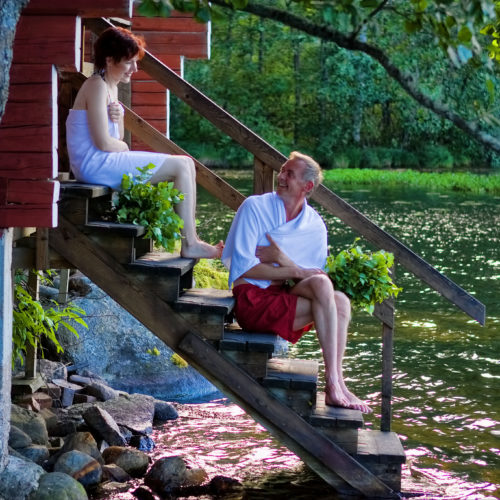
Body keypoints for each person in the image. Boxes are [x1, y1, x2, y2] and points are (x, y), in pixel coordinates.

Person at [222, 152, 371, 413]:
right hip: (252, 299)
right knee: (323, 287)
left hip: (285, 293)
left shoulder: (314, 225)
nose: (280, 177)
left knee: (341, 300)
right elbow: (245, 270)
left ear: (308, 186)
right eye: (282, 170)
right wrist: (296, 271)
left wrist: (283, 261)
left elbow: (313, 275)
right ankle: (334, 385)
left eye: (289, 174)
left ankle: (338, 382)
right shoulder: (255, 208)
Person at [66, 26, 223, 259]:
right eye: (129, 62)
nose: (135, 68)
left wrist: (118, 120)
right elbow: (104, 143)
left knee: (187, 164)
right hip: (93, 164)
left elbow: (114, 138)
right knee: (180, 165)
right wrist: (125, 147)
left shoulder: (111, 86)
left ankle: (193, 240)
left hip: (103, 159)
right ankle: (190, 243)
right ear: (110, 59)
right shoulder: (96, 86)